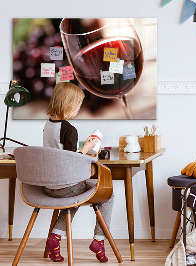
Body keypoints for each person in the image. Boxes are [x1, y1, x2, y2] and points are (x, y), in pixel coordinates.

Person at [43, 82, 114, 263]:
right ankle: (99, 240)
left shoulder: (48, 125)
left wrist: (84, 150)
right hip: (66, 186)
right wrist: (87, 148)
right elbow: (71, 161)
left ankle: (56, 238)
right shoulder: (69, 129)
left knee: (73, 198)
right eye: (78, 106)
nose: (78, 110)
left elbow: (60, 154)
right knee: (108, 194)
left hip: (49, 186)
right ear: (70, 105)